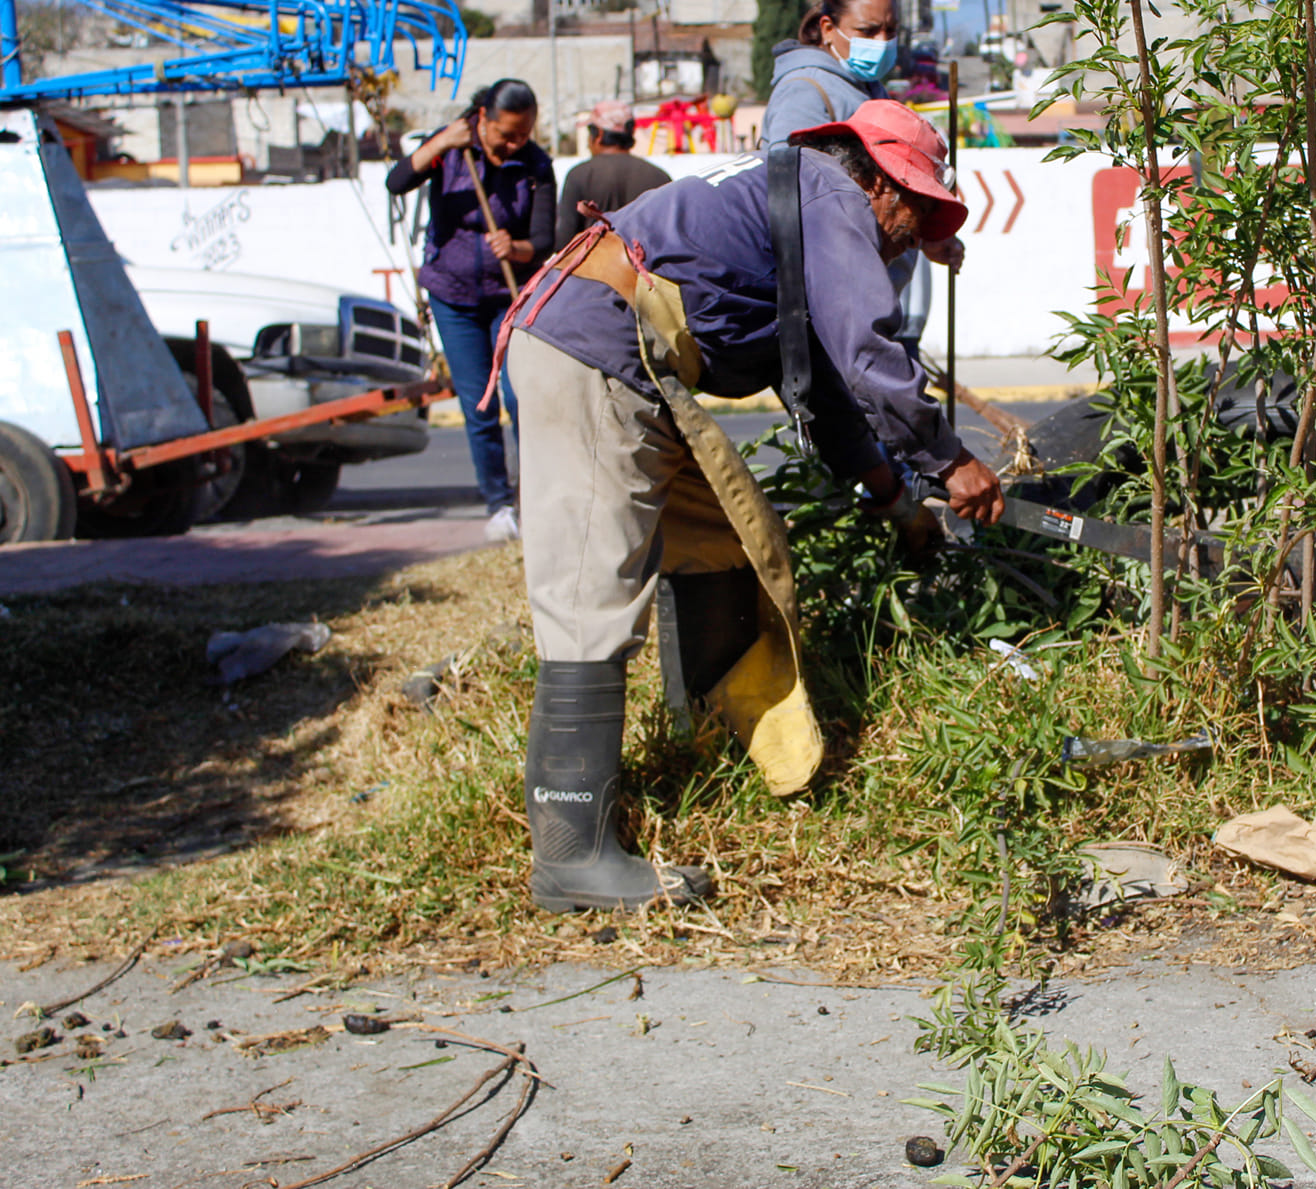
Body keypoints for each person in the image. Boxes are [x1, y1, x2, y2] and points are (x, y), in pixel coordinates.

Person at [495, 99, 1005, 912]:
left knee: (726, 545)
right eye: (917, 207)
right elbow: (869, 353)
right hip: (592, 355)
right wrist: (951, 462)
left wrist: (899, 500)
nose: (914, 232)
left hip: (636, 368)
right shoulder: (834, 198)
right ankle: (571, 852)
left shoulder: (807, 200)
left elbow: (831, 396)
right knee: (591, 594)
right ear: (879, 181)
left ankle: (709, 747)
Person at [385, 79, 554, 541]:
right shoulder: (451, 150)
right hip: (452, 296)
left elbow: (543, 241)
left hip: (509, 297)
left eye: (524, 133)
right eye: (507, 134)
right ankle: (499, 505)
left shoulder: (536, 164)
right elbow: (397, 182)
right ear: (482, 118)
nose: (516, 143)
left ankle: (534, 498)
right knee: (479, 403)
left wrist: (516, 247)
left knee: (521, 399)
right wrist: (441, 142)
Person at [762, 0, 952, 358]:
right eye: (868, 32)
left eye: (890, 30)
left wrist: (927, 233)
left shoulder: (867, 90)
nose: (882, 42)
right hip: (834, 318)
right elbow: (785, 196)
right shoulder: (805, 92)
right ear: (829, 28)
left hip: (871, 307)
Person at [555, 101, 671, 246]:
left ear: (598, 134)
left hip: (594, 267)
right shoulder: (659, 177)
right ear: (630, 133)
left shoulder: (579, 175)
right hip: (645, 267)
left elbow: (564, 240)